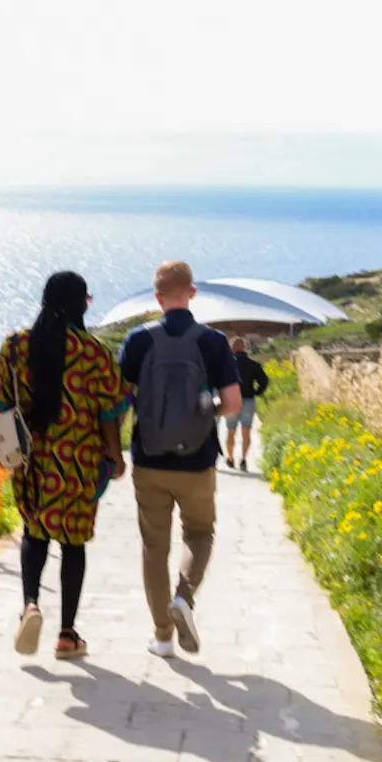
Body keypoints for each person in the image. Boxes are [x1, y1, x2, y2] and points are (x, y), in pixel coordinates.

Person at [0, 271, 128, 660]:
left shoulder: (17, 345)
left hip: (31, 459)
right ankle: (67, 635)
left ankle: (30, 604)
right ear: (80, 302)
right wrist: (115, 456)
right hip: (79, 461)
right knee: (73, 543)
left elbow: (0, 398)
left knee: (34, 534)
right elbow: (110, 410)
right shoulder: (94, 351)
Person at [118, 261, 242, 658]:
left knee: (154, 547)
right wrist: (208, 411)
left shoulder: (138, 341)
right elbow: (234, 403)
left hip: (149, 459)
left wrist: (112, 452)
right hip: (198, 460)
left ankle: (161, 637)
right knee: (200, 534)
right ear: (192, 293)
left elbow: (120, 401)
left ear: (156, 298)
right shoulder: (214, 341)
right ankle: (184, 598)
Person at [224, 336, 270, 471]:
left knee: (231, 432)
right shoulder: (254, 364)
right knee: (246, 431)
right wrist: (257, 392)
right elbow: (264, 381)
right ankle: (243, 460)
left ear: (231, 349)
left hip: (231, 400)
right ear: (244, 348)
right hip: (248, 400)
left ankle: (230, 458)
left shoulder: (227, 364)